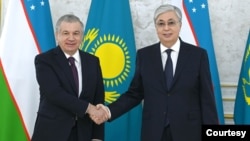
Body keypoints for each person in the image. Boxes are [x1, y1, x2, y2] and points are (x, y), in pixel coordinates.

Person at [92, 4, 219, 141]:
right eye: (161, 23)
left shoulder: (198, 55)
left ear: (179, 25)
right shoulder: (144, 55)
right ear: (156, 27)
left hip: (189, 132)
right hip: (154, 132)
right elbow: (135, 93)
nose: (166, 28)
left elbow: (207, 99)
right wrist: (108, 111)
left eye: (171, 23)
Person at [31, 14, 107, 141]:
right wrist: (88, 108)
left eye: (76, 33)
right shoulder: (44, 60)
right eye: (66, 33)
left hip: (83, 134)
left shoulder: (93, 61)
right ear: (57, 35)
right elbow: (55, 93)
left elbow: (98, 99)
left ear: (82, 36)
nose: (71, 38)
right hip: (51, 133)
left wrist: (97, 137)